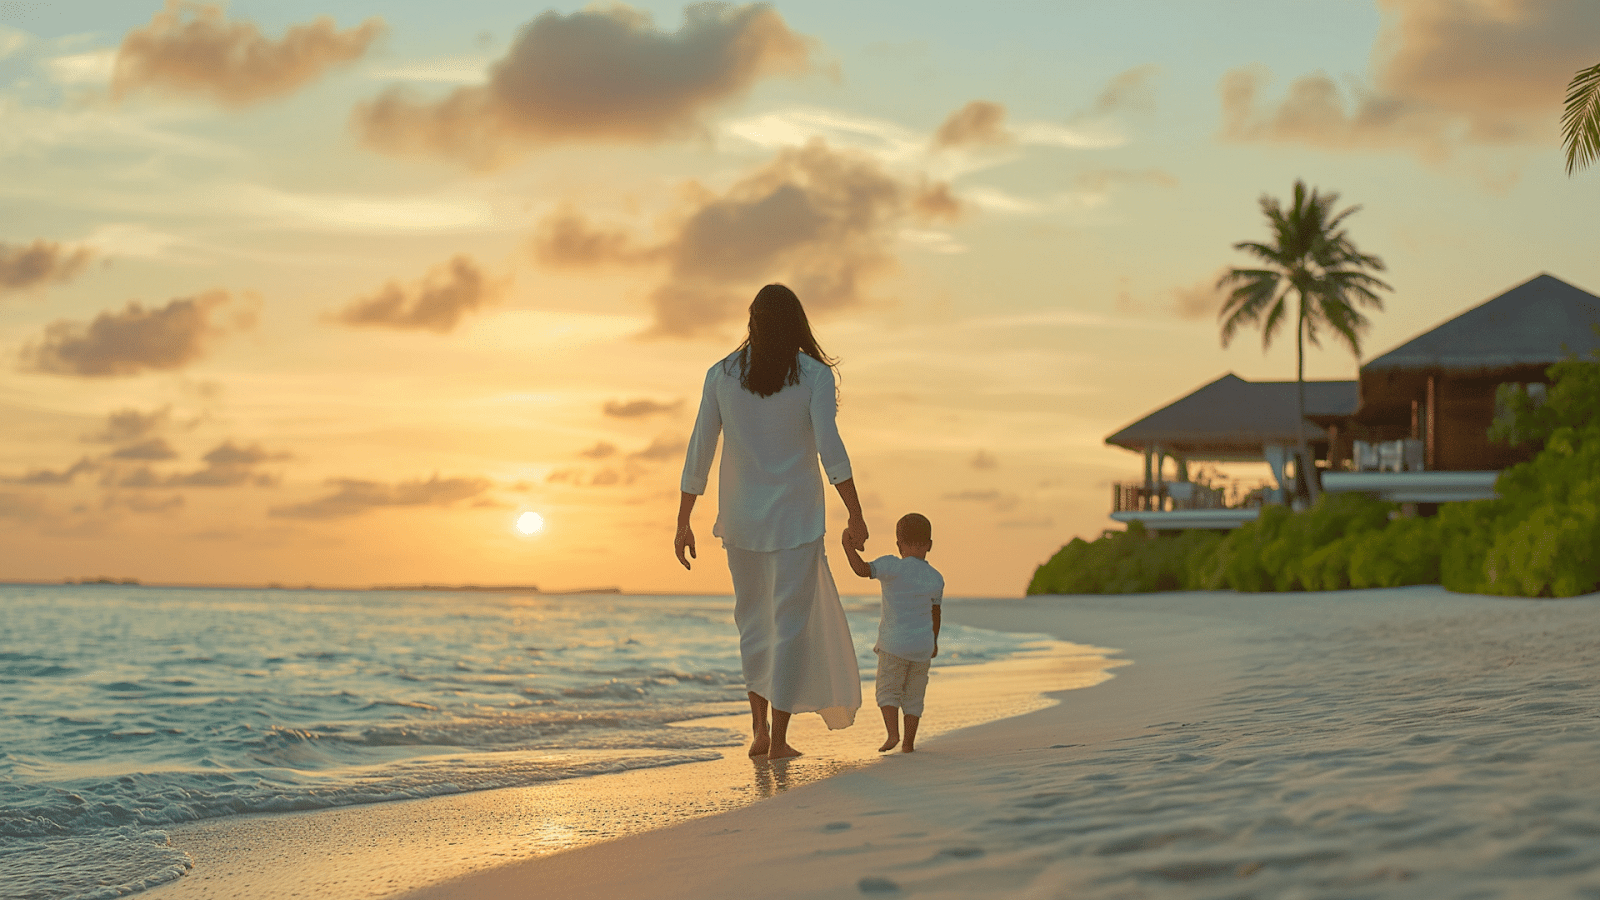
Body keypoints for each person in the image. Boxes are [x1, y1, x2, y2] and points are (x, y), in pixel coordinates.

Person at [676, 284, 867, 761]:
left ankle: (759, 730)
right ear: (796, 322)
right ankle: (777, 739)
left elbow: (699, 448)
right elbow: (830, 447)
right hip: (797, 520)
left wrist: (684, 519)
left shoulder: (720, 375)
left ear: (753, 322)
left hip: (741, 521)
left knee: (752, 625)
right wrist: (855, 510)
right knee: (788, 627)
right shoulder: (813, 376)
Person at [842, 512, 943, 754]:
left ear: (899, 544)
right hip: (922, 646)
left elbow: (861, 570)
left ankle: (892, 734)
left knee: (888, 691)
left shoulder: (891, 566)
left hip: (894, 645)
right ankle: (908, 743)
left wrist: (847, 546)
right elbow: (935, 614)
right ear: (929, 545)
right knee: (914, 696)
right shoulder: (936, 578)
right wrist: (934, 643)